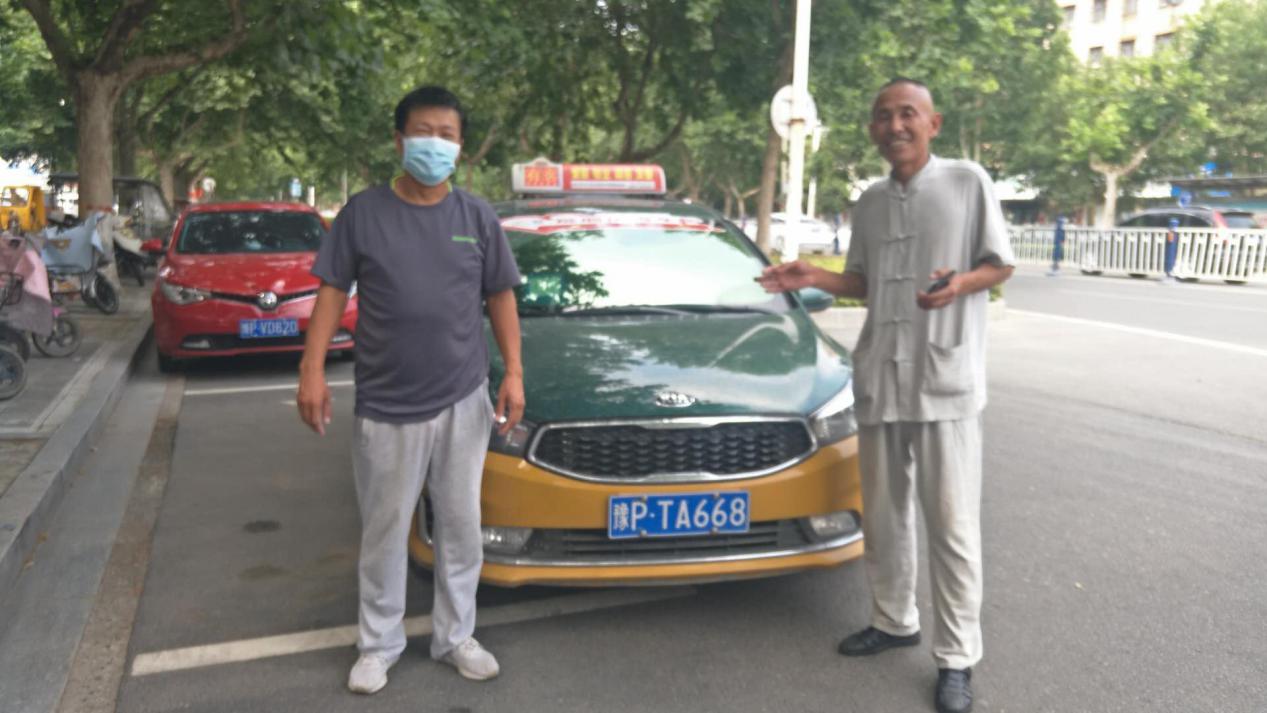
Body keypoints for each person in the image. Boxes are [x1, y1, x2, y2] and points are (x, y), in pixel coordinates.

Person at [758, 78, 1014, 713]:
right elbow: (866, 282)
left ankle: (957, 658)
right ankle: (894, 619)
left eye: (907, 114)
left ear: (933, 123)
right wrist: (816, 276)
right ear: (872, 129)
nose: (894, 125)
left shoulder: (967, 182)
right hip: (881, 377)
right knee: (884, 514)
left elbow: (1000, 264)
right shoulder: (870, 201)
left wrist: (960, 285)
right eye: (882, 116)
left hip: (944, 381)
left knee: (952, 525)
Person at [297, 85, 524, 694]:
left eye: (447, 135)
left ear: (461, 149)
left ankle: (456, 636)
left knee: (461, 525)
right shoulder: (362, 214)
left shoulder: (476, 217)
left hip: (463, 397)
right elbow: (331, 292)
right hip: (387, 402)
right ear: (399, 141)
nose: (435, 144)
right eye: (424, 132)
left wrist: (514, 373)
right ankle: (378, 644)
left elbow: (501, 295)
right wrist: (311, 370)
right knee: (385, 528)